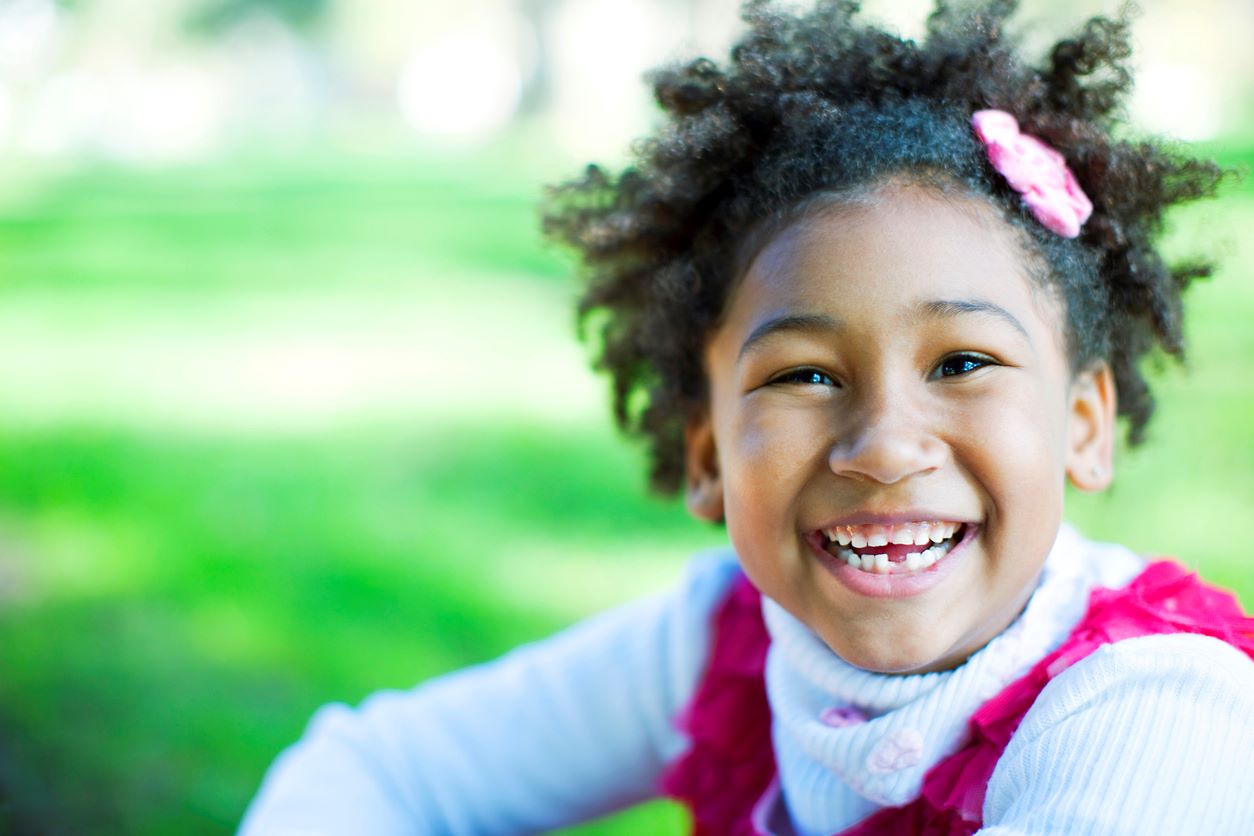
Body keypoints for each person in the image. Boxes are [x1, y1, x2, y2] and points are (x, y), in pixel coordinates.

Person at [239, 2, 1254, 833]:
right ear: (709, 453)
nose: (888, 443)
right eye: (806, 374)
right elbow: (374, 771)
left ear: (1083, 421)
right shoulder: (726, 635)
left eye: (962, 361)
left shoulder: (1154, 716)